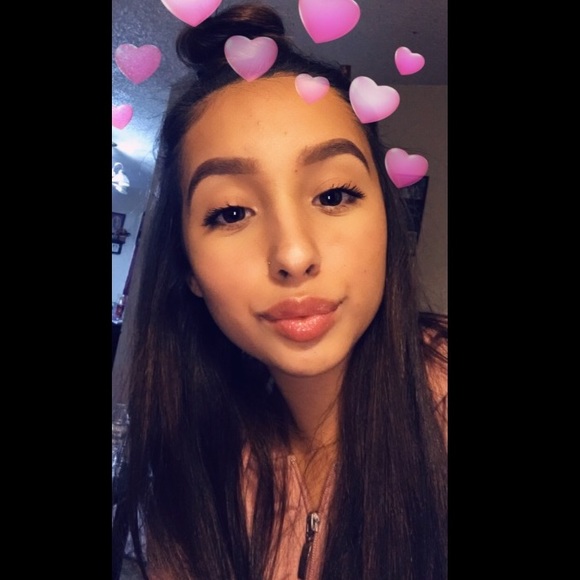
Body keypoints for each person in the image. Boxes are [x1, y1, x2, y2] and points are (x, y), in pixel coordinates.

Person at [120, 3, 448, 579]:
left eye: (333, 195)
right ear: (189, 268)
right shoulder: (196, 470)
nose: (294, 256)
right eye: (230, 212)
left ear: (387, 220)